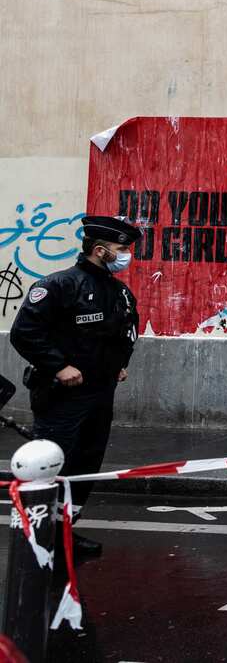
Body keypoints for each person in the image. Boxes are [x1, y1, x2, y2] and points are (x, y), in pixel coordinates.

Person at [9, 215, 141, 560]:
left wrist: (119, 364)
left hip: (100, 393)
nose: (127, 255)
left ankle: (64, 529)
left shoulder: (118, 291)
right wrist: (59, 366)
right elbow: (24, 333)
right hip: (61, 397)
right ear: (100, 250)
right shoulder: (60, 285)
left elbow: (122, 331)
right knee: (52, 464)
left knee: (85, 465)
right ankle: (36, 535)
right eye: (121, 249)